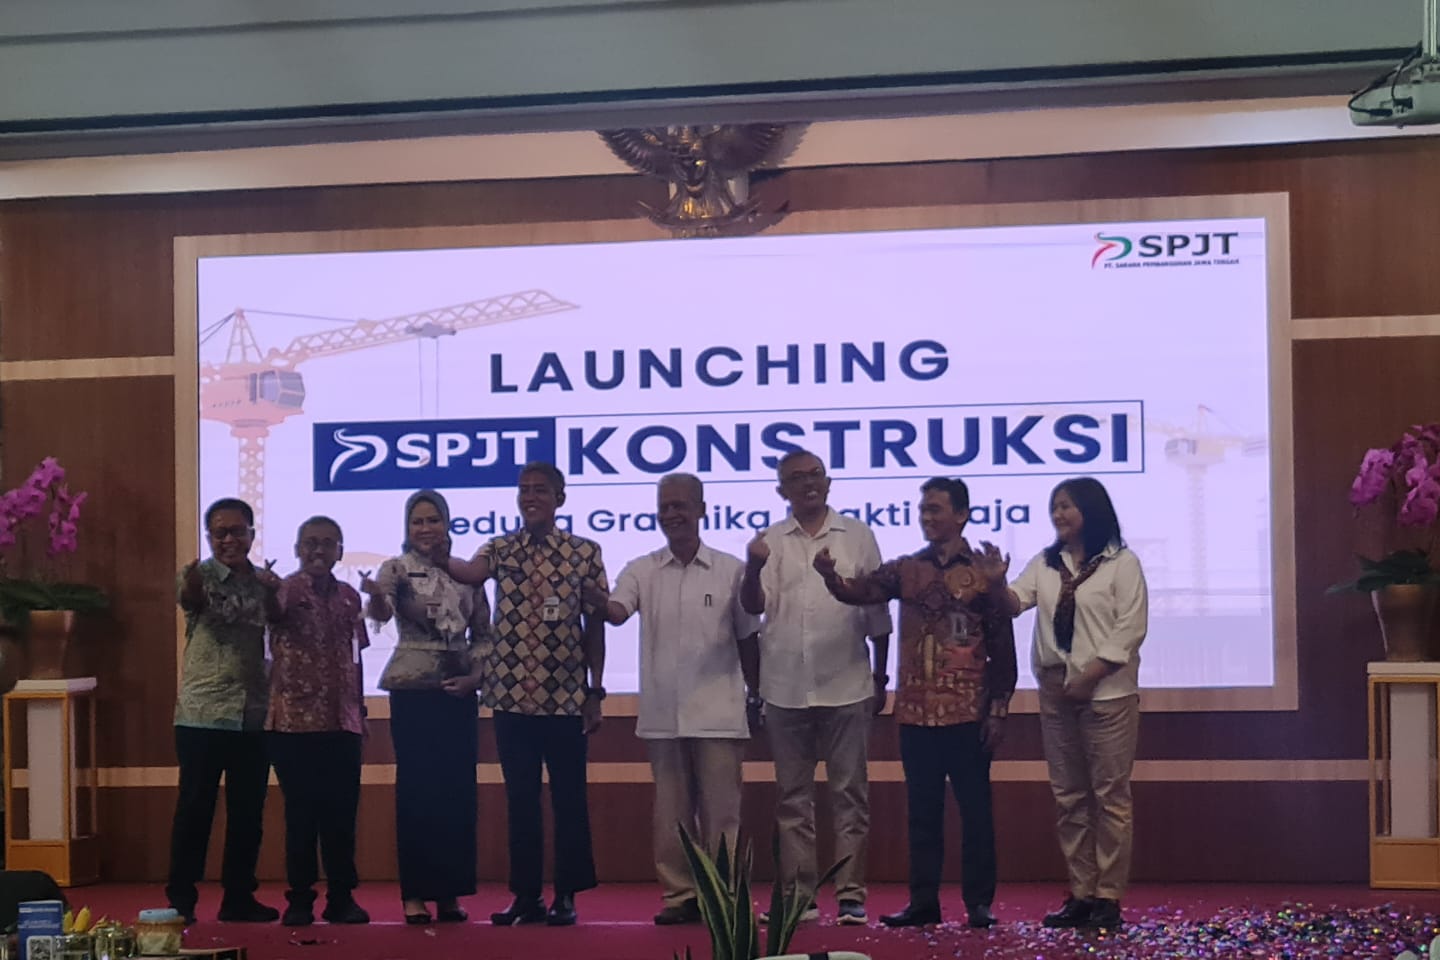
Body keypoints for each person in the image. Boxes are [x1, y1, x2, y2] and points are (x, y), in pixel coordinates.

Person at [814, 477, 1016, 929]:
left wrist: (998, 709)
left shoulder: (983, 571)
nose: (926, 517)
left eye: (936, 509)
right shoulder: (907, 569)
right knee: (922, 814)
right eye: (923, 509)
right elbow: (858, 592)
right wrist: (829, 577)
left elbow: (1002, 646)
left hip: (968, 712)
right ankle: (923, 902)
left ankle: (979, 903)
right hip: (916, 714)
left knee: (976, 813)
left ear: (961, 514)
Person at [591, 473, 760, 925]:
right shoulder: (641, 569)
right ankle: (681, 895)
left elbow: (748, 638)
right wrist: (593, 598)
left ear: (702, 510)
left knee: (722, 816)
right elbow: (616, 612)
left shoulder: (732, 570)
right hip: (663, 715)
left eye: (680, 505)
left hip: (720, 713)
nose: (671, 514)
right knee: (672, 816)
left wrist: (758, 693)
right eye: (664, 506)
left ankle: (722, 897)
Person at [448, 462, 607, 927]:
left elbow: (596, 626)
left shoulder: (584, 552)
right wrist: (437, 554)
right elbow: (470, 573)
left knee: (569, 800)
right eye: (524, 490)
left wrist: (595, 691)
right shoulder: (501, 548)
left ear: (560, 499)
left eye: (540, 490)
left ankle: (567, 896)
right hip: (511, 696)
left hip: (566, 697)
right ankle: (526, 897)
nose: (530, 497)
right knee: (521, 801)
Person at [740, 449, 891, 926]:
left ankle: (850, 895)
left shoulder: (858, 535)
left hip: (847, 683)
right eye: (797, 478)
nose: (808, 483)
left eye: (815, 475)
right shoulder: (768, 541)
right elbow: (752, 607)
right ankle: (799, 897)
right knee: (792, 799)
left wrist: (882, 676)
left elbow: (877, 610)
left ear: (828, 482)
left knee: (850, 795)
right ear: (781, 490)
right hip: (784, 686)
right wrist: (751, 567)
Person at [989, 477, 1148, 932]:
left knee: (1109, 796)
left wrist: (1090, 675)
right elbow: (1013, 604)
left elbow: (1130, 628)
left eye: (1066, 506)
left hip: (1107, 692)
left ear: (1091, 510)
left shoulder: (1122, 564)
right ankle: (1082, 892)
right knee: (1070, 796)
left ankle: (1108, 896)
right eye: (1054, 506)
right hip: (1057, 692)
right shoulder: (1046, 562)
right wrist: (996, 584)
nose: (1058, 514)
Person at [364, 490, 489, 926]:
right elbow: (381, 611)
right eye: (417, 521)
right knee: (418, 792)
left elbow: (484, 636)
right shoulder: (396, 569)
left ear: (447, 524)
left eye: (433, 520)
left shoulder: (467, 573)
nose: (425, 528)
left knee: (457, 794)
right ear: (407, 527)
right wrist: (374, 598)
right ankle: (415, 894)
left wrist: (476, 678)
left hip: (459, 693)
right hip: (413, 691)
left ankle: (449, 894)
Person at [167, 497, 282, 925]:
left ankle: (238, 898)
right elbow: (189, 597)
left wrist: (274, 592)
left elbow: (279, 621)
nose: (228, 539)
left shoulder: (264, 583)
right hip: (202, 714)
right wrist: (194, 580)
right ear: (209, 536)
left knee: (247, 814)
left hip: (252, 713)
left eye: (237, 531)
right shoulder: (197, 577)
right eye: (220, 533)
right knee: (195, 810)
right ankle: (181, 900)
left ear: (252, 534)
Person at [266, 516, 371, 927]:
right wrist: (267, 590)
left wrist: (360, 710)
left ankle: (341, 898)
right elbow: (271, 613)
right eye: (310, 542)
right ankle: (300, 900)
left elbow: (356, 656)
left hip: (343, 723)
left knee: (341, 817)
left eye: (328, 543)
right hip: (293, 723)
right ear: (297, 549)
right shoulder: (284, 591)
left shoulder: (350, 597)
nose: (318, 550)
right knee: (301, 817)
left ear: (339, 551)